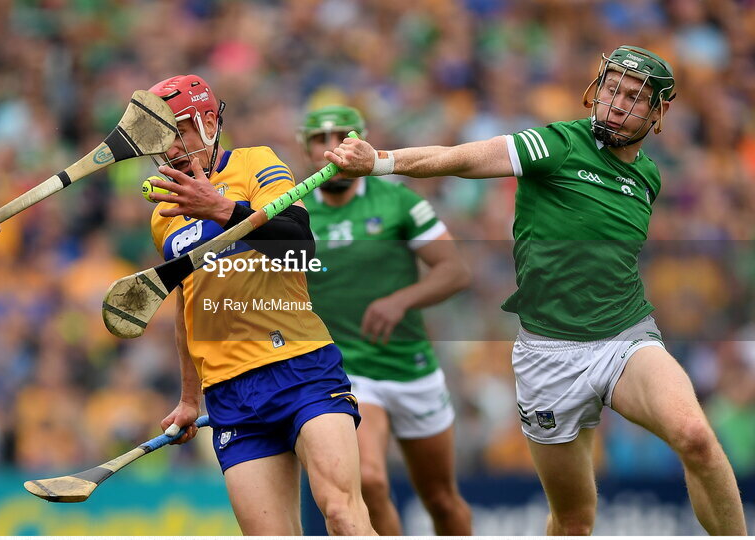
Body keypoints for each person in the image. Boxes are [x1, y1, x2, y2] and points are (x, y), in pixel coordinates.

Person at [326, 46, 747, 535]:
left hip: (624, 337)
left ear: (659, 112)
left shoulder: (648, 176)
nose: (617, 103)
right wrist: (381, 161)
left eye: (633, 97)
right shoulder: (558, 144)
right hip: (548, 356)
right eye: (611, 89)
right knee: (573, 521)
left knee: (695, 436)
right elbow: (462, 157)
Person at [143, 75, 376, 535]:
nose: (170, 148)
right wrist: (189, 398)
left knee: (341, 513)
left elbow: (299, 246)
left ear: (209, 124)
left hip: (300, 366)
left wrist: (220, 208)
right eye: (160, 138)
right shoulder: (163, 213)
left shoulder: (257, 163)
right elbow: (187, 303)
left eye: (179, 132)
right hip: (230, 395)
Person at [299, 105, 474, 535]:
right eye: (320, 139)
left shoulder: (398, 200)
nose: (331, 147)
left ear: (360, 141)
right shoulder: (295, 213)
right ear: (307, 150)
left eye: (341, 136)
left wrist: (400, 300)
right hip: (347, 371)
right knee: (370, 481)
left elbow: (454, 271)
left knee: (442, 500)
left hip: (410, 367)